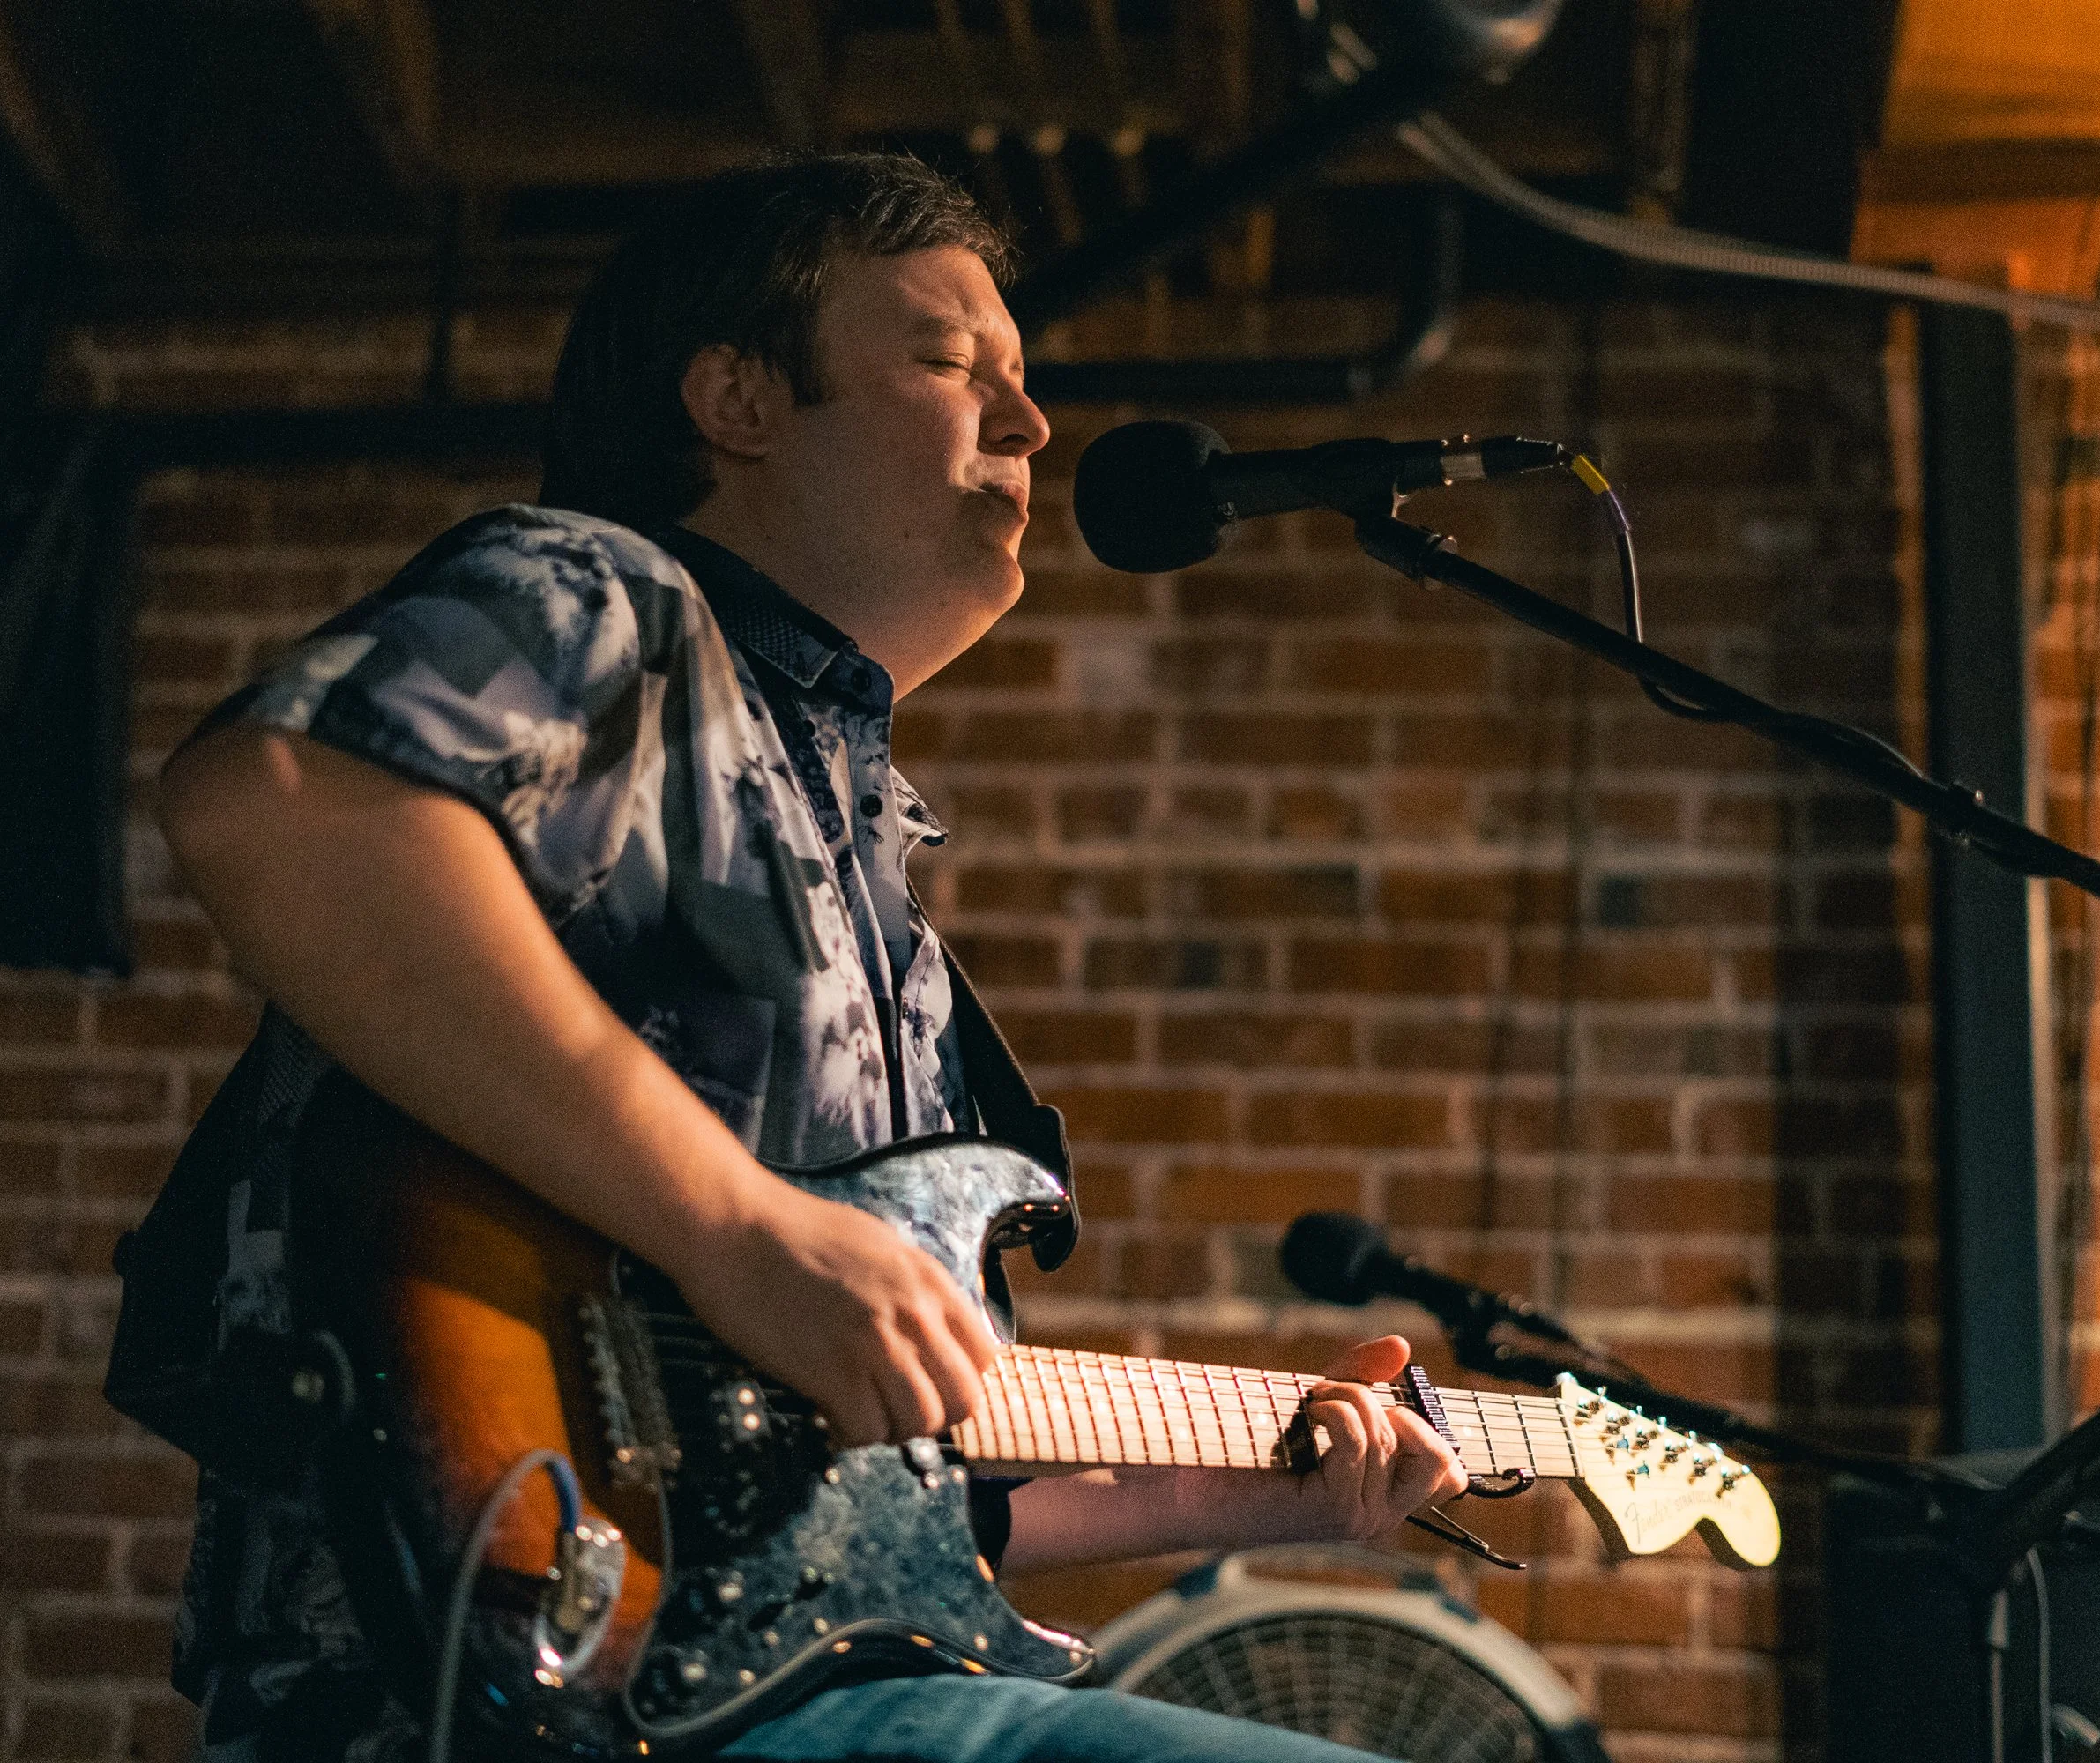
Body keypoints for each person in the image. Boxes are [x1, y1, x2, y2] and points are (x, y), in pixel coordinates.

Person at [142, 151, 1467, 1762]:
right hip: (453, 1678)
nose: (1032, 423)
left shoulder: (874, 863)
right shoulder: (607, 596)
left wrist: (1272, 1492)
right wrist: (735, 1227)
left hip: (765, 1682)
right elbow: (280, 800)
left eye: (1023, 382)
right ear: (738, 399)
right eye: (949, 362)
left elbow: (882, 1478)